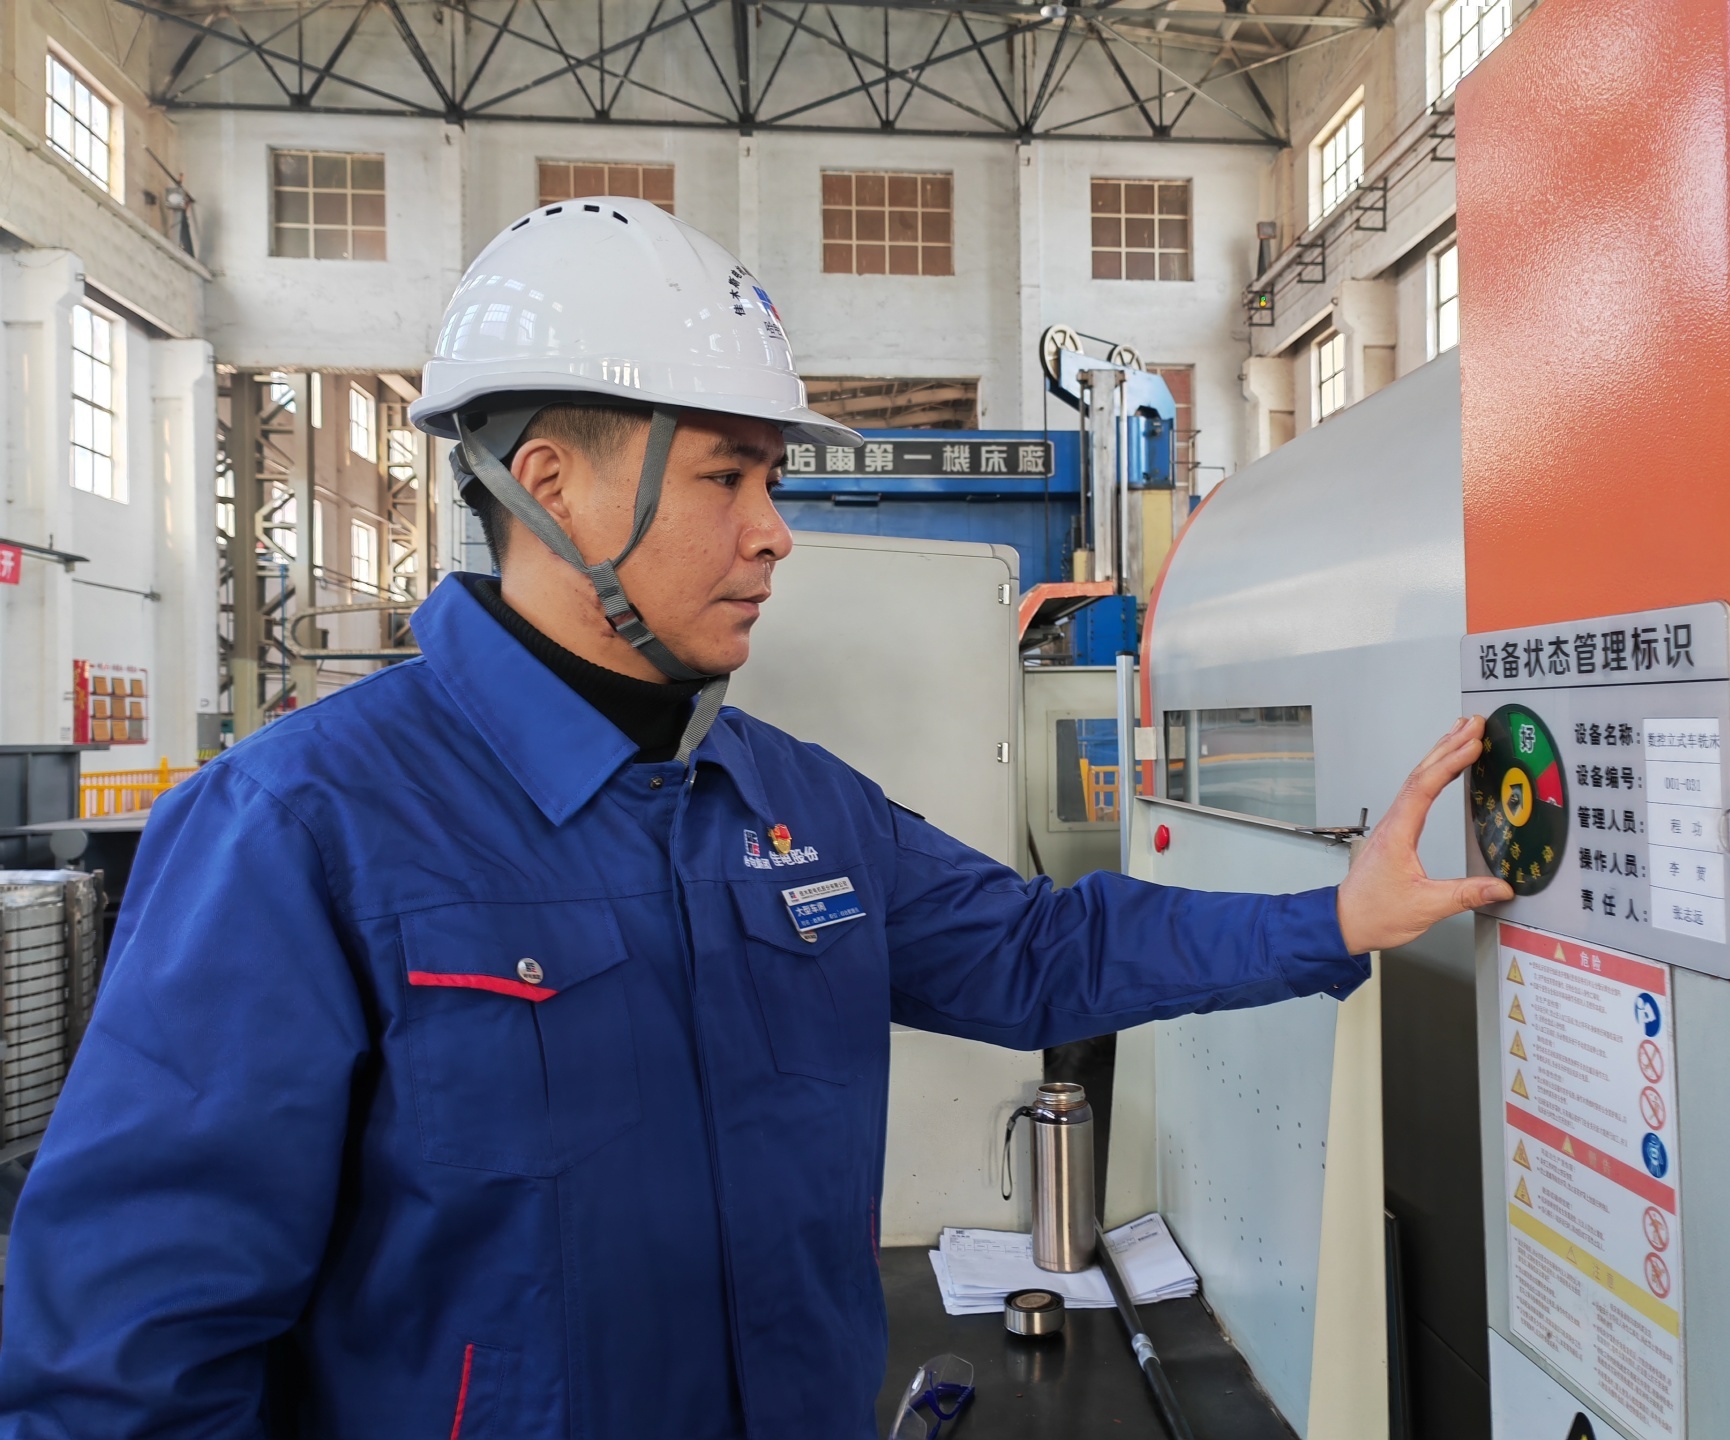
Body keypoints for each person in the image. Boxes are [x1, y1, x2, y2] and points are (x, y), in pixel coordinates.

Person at [0, 200, 1511, 1439]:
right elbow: (128, 1359)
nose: (776, 531)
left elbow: (1041, 952)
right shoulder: (298, 829)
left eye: (772, 478)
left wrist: (1336, 917)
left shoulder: (789, 804)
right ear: (553, 489)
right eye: (727, 476)